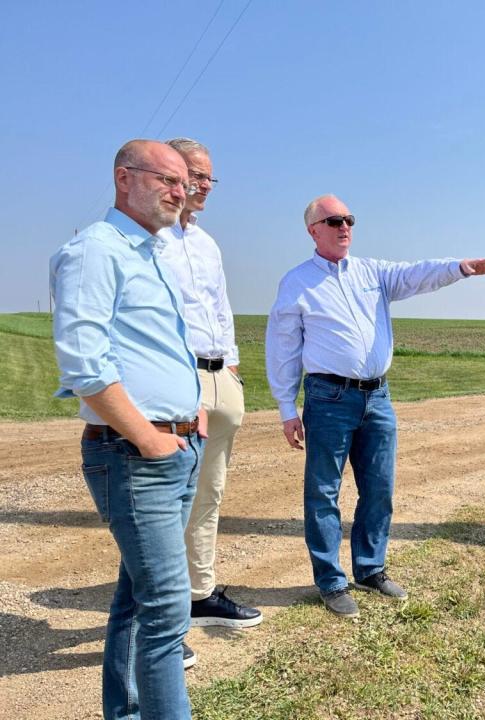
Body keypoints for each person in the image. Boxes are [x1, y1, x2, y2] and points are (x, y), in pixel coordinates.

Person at [265, 194, 485, 618]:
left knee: (379, 487)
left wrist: (461, 268)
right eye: (334, 220)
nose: (344, 227)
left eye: (349, 219)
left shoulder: (373, 272)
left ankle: (370, 568)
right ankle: (332, 581)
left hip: (377, 396)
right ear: (313, 230)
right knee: (323, 491)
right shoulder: (296, 282)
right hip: (328, 397)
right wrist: (286, 406)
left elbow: (416, 275)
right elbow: (283, 348)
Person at [50, 139, 205, 719]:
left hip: (175, 445)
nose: (180, 191)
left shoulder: (149, 254)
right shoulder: (96, 251)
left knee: (135, 601)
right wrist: (149, 436)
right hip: (135, 455)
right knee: (167, 610)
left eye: (185, 183)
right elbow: (85, 366)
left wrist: (193, 416)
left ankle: (127, 713)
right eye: (167, 179)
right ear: (124, 178)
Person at [157, 138, 262, 647]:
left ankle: (199, 595)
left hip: (221, 377)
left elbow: (221, 306)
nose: (202, 186)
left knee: (210, 492)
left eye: (208, 178)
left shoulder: (206, 242)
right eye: (194, 175)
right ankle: (163, 618)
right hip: (179, 377)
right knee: (168, 496)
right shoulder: (148, 239)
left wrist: (233, 367)